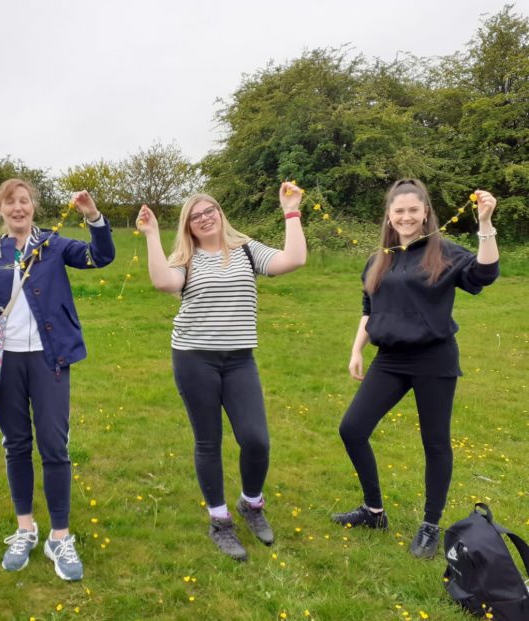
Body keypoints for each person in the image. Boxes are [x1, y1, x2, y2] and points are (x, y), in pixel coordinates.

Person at [0, 179, 115, 581]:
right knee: (16, 443)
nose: (18, 208)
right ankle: (25, 528)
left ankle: (59, 536)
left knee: (55, 446)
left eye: (24, 201)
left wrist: (93, 217)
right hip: (4, 362)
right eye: (9, 203)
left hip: (50, 359)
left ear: (34, 207)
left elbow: (99, 257)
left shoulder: (53, 245)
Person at [136, 184, 307, 561]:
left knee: (256, 439)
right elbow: (164, 282)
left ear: (219, 213)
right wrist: (151, 236)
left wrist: (291, 211)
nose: (204, 218)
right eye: (196, 216)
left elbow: (294, 259)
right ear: (189, 226)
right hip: (194, 358)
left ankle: (251, 504)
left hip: (239, 359)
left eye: (209, 210)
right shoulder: (186, 257)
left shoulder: (246, 250)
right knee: (208, 441)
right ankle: (219, 521)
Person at [332, 179, 499, 560]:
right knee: (352, 429)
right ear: (389, 216)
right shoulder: (379, 259)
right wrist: (357, 349)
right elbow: (369, 308)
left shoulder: (445, 253)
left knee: (435, 442)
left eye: (413, 210)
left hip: (434, 359)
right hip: (389, 359)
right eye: (398, 211)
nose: (405, 217)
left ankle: (429, 524)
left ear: (425, 213)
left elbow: (484, 275)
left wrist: (485, 224)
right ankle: (374, 511)